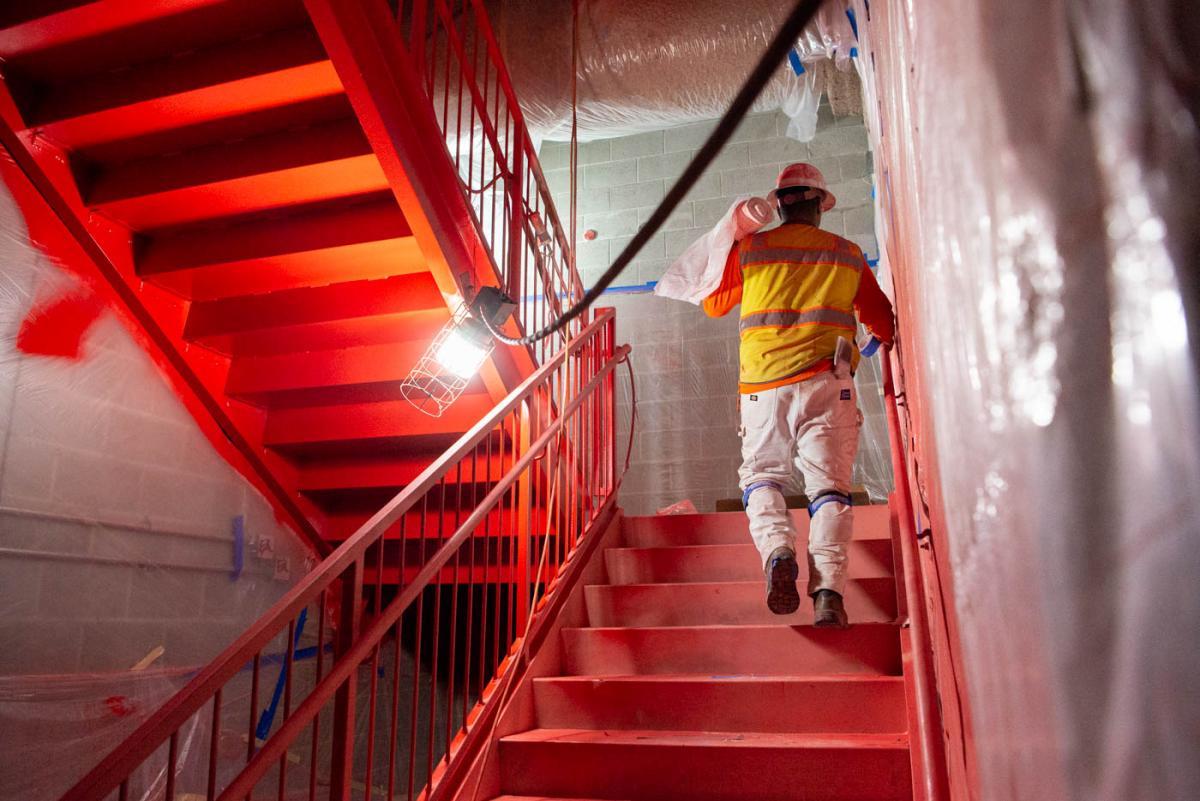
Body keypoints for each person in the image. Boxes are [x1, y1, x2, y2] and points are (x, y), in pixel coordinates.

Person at [699, 163, 895, 625]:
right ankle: (828, 594)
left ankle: (778, 551)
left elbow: (713, 305)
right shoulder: (846, 253)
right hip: (828, 387)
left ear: (781, 205)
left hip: (762, 390)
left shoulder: (752, 249)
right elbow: (884, 324)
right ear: (818, 206)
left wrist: (732, 239)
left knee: (762, 479)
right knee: (830, 491)